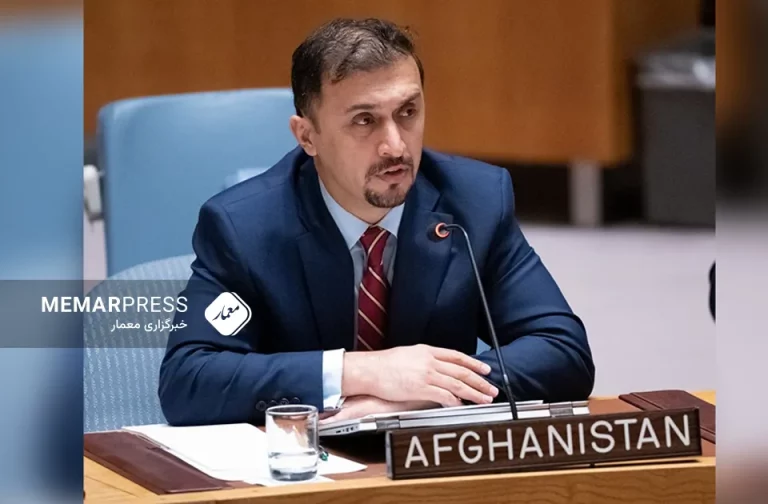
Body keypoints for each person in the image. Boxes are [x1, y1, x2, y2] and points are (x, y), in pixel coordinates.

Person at [158, 18, 595, 426]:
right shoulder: (243, 227)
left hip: (432, 460)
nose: (395, 146)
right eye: (364, 120)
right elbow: (188, 380)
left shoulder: (475, 203)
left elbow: (562, 350)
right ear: (307, 136)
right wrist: (362, 372)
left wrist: (419, 397)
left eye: (408, 112)